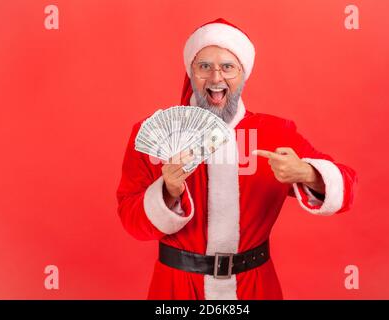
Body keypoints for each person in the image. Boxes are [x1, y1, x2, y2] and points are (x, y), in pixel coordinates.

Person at [116, 18, 358, 300]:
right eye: (204, 66)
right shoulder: (152, 134)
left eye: (228, 67)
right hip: (177, 290)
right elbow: (130, 221)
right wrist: (167, 191)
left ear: (243, 74)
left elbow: (347, 188)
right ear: (191, 72)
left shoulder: (276, 133)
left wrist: (307, 173)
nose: (216, 78)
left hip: (255, 287)